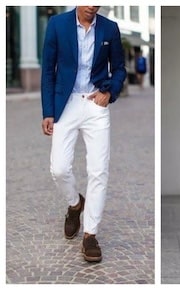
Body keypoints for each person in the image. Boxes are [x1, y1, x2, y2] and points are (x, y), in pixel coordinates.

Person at [41, 6, 126, 262]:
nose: (92, 5)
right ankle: (75, 203)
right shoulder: (57, 24)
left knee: (99, 170)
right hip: (65, 104)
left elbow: (119, 68)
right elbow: (48, 69)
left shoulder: (109, 28)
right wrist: (48, 110)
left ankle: (90, 235)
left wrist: (109, 93)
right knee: (59, 168)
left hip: (94, 103)